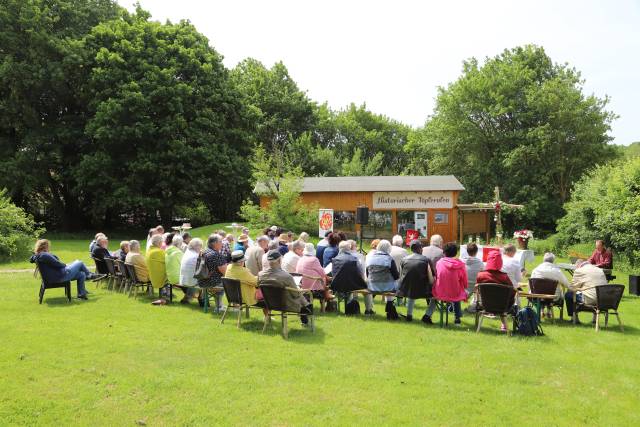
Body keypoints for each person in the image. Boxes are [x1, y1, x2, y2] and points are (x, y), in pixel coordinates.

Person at [30, 239, 101, 300]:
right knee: (80, 262)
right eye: (48, 246)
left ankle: (81, 294)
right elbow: (57, 264)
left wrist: (64, 264)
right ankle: (89, 275)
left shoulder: (39, 255)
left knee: (81, 274)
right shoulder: (44, 255)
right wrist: (65, 265)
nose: (49, 247)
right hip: (60, 276)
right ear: (45, 246)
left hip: (56, 276)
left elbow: (55, 262)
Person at [258, 250, 313, 325]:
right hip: (286, 305)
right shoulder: (286, 276)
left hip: (269, 303)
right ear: (280, 260)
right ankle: (306, 314)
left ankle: (306, 312)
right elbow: (295, 294)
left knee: (300, 295)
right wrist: (299, 290)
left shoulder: (261, 275)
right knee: (303, 295)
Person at [424, 242, 467, 325]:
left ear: (444, 252)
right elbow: (464, 280)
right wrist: (464, 287)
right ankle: (457, 318)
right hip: (454, 292)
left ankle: (428, 315)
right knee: (457, 294)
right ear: (456, 253)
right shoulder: (460, 264)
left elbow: (437, 275)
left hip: (440, 291)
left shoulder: (439, 263)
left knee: (435, 296)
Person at [475, 250, 514, 331]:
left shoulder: (481, 275)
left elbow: (477, 289)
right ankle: (504, 324)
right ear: (500, 262)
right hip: (503, 306)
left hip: (485, 305)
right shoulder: (505, 277)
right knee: (505, 299)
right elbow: (512, 291)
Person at [397, 240, 434, 322]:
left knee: (412, 289)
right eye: (421, 247)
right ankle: (427, 316)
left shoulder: (403, 260)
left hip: (405, 290)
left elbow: (400, 276)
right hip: (423, 291)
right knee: (436, 297)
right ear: (420, 249)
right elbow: (431, 280)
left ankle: (409, 315)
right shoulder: (426, 260)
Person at [365, 240, 400, 315]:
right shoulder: (389, 259)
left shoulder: (370, 257)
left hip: (372, 286)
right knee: (394, 282)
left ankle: (370, 309)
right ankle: (390, 305)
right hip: (387, 287)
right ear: (389, 248)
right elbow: (396, 276)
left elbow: (367, 273)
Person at [530, 252, 570, 317]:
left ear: (543, 260)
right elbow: (566, 284)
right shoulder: (557, 271)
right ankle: (548, 310)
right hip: (553, 297)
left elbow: (531, 283)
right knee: (558, 292)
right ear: (553, 261)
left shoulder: (536, 270)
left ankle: (541, 309)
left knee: (538, 293)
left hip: (537, 296)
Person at [198, 234, 228, 311]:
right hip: (213, 282)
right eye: (221, 241)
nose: (222, 243)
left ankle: (220, 305)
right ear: (214, 243)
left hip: (202, 281)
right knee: (232, 282)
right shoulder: (216, 255)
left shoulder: (204, 252)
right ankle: (220, 307)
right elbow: (226, 273)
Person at [179, 237, 203, 304]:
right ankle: (202, 299)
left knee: (195, 277)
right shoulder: (196, 256)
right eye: (201, 246)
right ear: (197, 246)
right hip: (190, 281)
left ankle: (187, 297)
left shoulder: (187, 253)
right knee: (205, 279)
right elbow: (202, 270)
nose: (201, 248)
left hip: (183, 280)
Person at [146, 234, 168, 300]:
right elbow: (168, 262)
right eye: (162, 242)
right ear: (159, 243)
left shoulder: (149, 251)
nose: (162, 244)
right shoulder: (159, 252)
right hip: (158, 277)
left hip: (151, 275)